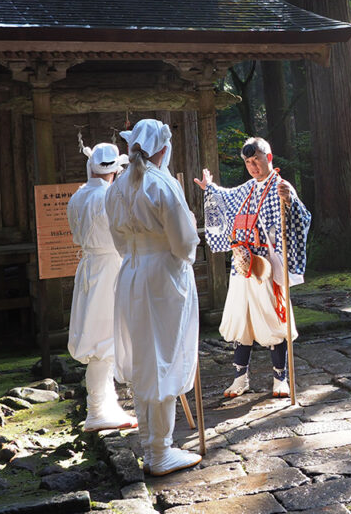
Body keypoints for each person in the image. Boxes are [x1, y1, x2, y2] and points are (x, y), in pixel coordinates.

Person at [105, 118, 202, 476]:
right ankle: (160, 450)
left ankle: (152, 444)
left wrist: (136, 254)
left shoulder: (116, 188)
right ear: (163, 148)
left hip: (130, 273)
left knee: (147, 357)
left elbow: (117, 239)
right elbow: (183, 242)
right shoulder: (162, 183)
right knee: (163, 355)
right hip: (162, 276)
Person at [194, 137, 311, 398]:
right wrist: (210, 188)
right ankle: (240, 379)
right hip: (242, 264)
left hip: (267, 266)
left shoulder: (281, 186)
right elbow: (226, 197)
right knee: (240, 320)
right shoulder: (247, 188)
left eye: (256, 160)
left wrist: (289, 201)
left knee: (272, 319)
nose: (252, 166)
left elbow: (304, 217)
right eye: (248, 162)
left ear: (268, 158)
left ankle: (280, 378)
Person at [67, 142, 137, 433]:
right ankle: (97, 410)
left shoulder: (79, 195)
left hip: (90, 265)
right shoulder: (109, 196)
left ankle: (106, 406)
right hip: (109, 266)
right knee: (104, 339)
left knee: (101, 338)